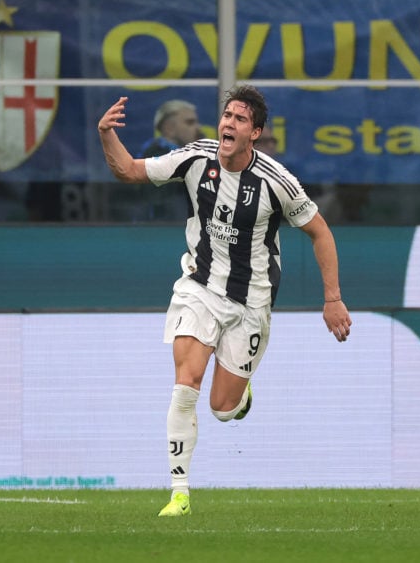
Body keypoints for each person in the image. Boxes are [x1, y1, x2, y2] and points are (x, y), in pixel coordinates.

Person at [97, 85, 352, 517]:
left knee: (221, 408)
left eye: (239, 119)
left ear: (255, 132)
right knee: (186, 382)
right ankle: (179, 494)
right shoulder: (197, 157)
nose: (228, 124)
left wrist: (333, 300)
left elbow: (321, 232)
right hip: (198, 287)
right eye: (226, 116)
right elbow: (128, 170)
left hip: (251, 303)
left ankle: (240, 396)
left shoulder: (278, 183)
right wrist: (106, 134)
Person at [137, 99, 201, 157]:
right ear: (169, 129)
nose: (198, 127)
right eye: (190, 122)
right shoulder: (155, 156)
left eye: (196, 122)